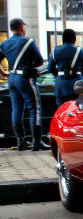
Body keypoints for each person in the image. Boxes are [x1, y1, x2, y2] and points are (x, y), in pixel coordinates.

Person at [0, 18, 46, 151]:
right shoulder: (28, 42)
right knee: (34, 109)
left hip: (12, 78)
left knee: (17, 109)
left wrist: (4, 74)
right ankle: (37, 142)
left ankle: (20, 142)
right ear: (21, 28)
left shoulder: (5, 44)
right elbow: (38, 61)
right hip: (25, 78)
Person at [48, 29, 83, 107]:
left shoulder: (55, 51)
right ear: (74, 39)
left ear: (63, 39)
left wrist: (59, 75)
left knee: (62, 109)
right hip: (77, 83)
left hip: (61, 84)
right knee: (78, 108)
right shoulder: (80, 51)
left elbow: (50, 68)